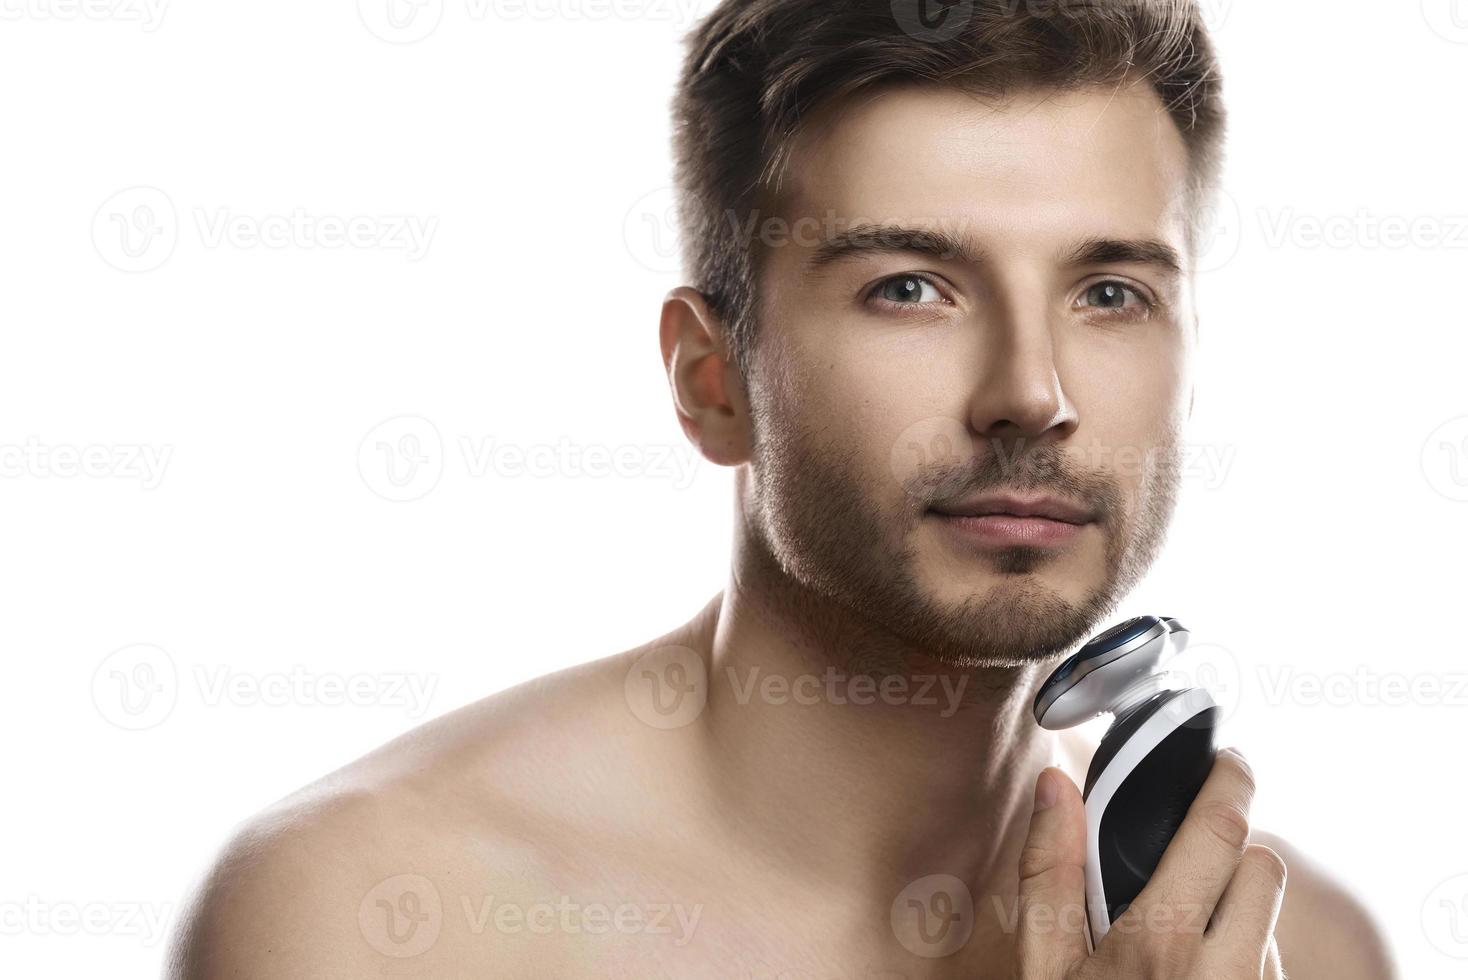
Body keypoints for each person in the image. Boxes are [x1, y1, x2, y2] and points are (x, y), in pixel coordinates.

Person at [166, 1, 1397, 976]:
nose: (1032, 390)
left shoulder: (1293, 952)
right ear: (713, 381)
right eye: (910, 285)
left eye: (1110, 291)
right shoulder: (385, 917)